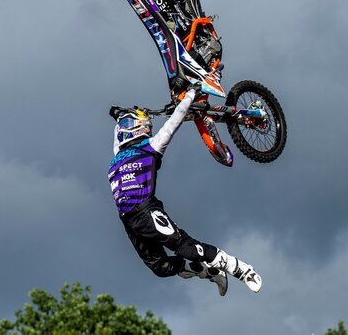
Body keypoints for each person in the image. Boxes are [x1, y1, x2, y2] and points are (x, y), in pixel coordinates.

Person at [108, 84, 262, 296]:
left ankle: (240, 269)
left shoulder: (151, 147)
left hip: (146, 211)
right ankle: (209, 273)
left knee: (187, 248)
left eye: (127, 123)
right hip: (127, 219)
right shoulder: (117, 156)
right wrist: (120, 116)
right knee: (160, 268)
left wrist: (189, 96)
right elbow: (117, 136)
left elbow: (174, 121)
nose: (123, 127)